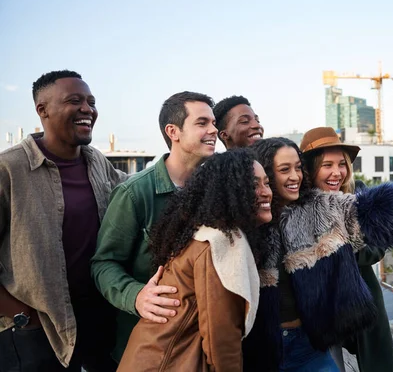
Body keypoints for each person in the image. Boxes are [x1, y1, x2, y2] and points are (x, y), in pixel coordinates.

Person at [245, 137, 393, 371]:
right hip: (261, 349)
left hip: (308, 347)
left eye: (297, 168)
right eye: (284, 169)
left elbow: (386, 208)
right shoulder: (244, 221)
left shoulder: (322, 208)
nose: (295, 176)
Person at [0, 70, 126, 371]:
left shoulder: (97, 161)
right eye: (75, 100)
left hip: (96, 317)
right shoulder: (10, 168)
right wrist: (22, 315)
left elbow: (135, 191)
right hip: (35, 328)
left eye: (91, 102)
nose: (87, 109)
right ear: (42, 110)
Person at [91, 91, 218, 362]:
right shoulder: (135, 193)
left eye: (214, 122)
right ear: (173, 131)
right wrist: (137, 296)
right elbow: (103, 264)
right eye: (202, 123)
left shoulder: (217, 191)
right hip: (148, 349)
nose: (214, 130)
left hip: (203, 345)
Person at [117, 149, 272, 372]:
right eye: (254, 185)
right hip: (169, 364)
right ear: (230, 191)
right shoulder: (221, 243)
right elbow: (221, 338)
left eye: (266, 183)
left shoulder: (201, 232)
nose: (266, 192)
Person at [301, 127, 393, 372]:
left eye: (341, 164)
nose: (337, 173)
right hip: (320, 303)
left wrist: (339, 245)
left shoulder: (359, 194)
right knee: (328, 364)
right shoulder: (298, 205)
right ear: (311, 168)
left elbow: (377, 247)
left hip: (361, 294)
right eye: (327, 165)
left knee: (379, 362)